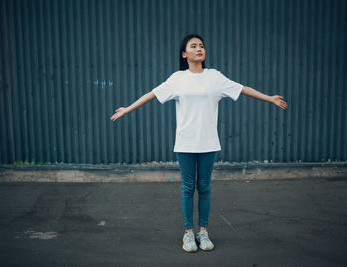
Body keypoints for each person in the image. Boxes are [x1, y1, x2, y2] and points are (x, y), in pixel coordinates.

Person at [110, 34, 288, 253]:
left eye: (201, 46)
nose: (199, 49)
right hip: (185, 143)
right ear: (184, 54)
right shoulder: (177, 79)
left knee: (204, 187)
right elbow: (152, 94)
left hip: (208, 143)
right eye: (193, 46)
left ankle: (203, 232)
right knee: (187, 188)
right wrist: (127, 108)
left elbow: (242, 88)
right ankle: (188, 234)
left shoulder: (215, 77)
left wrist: (269, 98)